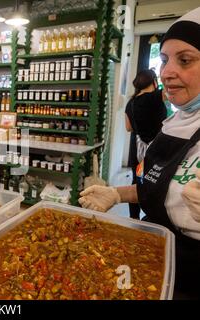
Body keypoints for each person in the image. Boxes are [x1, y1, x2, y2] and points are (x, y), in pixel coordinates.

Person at [79, 7, 200, 298]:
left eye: (185, 60)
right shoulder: (176, 121)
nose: (167, 72)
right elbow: (160, 187)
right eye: (164, 60)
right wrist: (119, 194)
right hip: (157, 253)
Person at [124, 69, 167, 219]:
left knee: (137, 182)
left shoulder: (131, 102)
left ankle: (134, 217)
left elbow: (128, 127)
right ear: (154, 81)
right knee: (157, 181)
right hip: (157, 149)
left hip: (137, 150)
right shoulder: (158, 96)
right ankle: (152, 217)